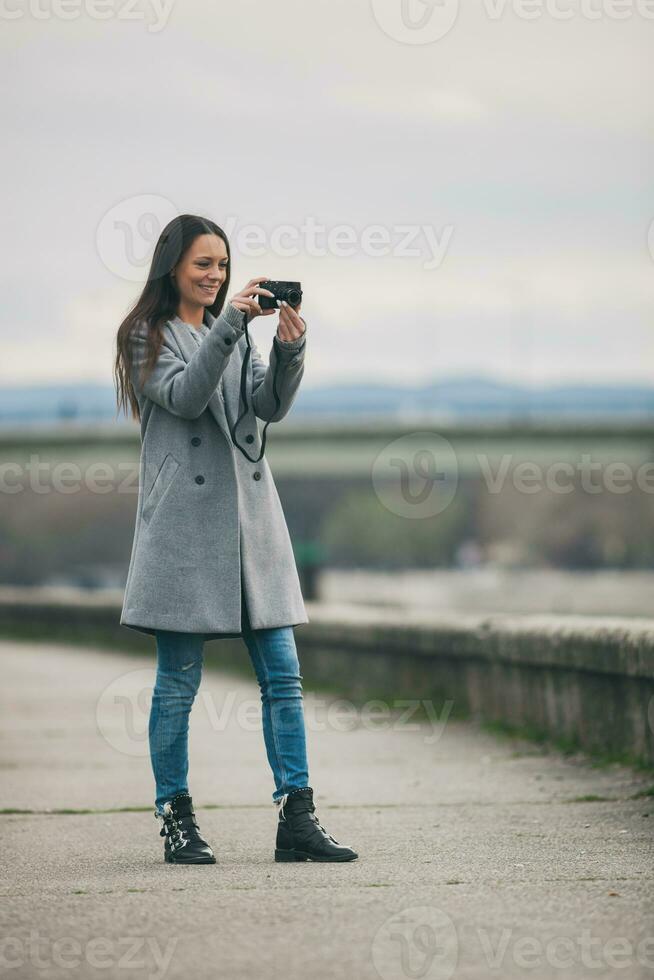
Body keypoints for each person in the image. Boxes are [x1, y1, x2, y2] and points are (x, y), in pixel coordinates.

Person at [114, 214, 357, 864]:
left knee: (283, 674)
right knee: (178, 683)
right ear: (173, 268)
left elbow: (266, 407)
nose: (215, 276)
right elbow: (187, 398)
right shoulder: (146, 336)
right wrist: (232, 326)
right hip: (185, 536)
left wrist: (286, 349)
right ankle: (177, 818)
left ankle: (297, 817)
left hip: (251, 528)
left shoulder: (234, 336)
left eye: (221, 265)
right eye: (203, 265)